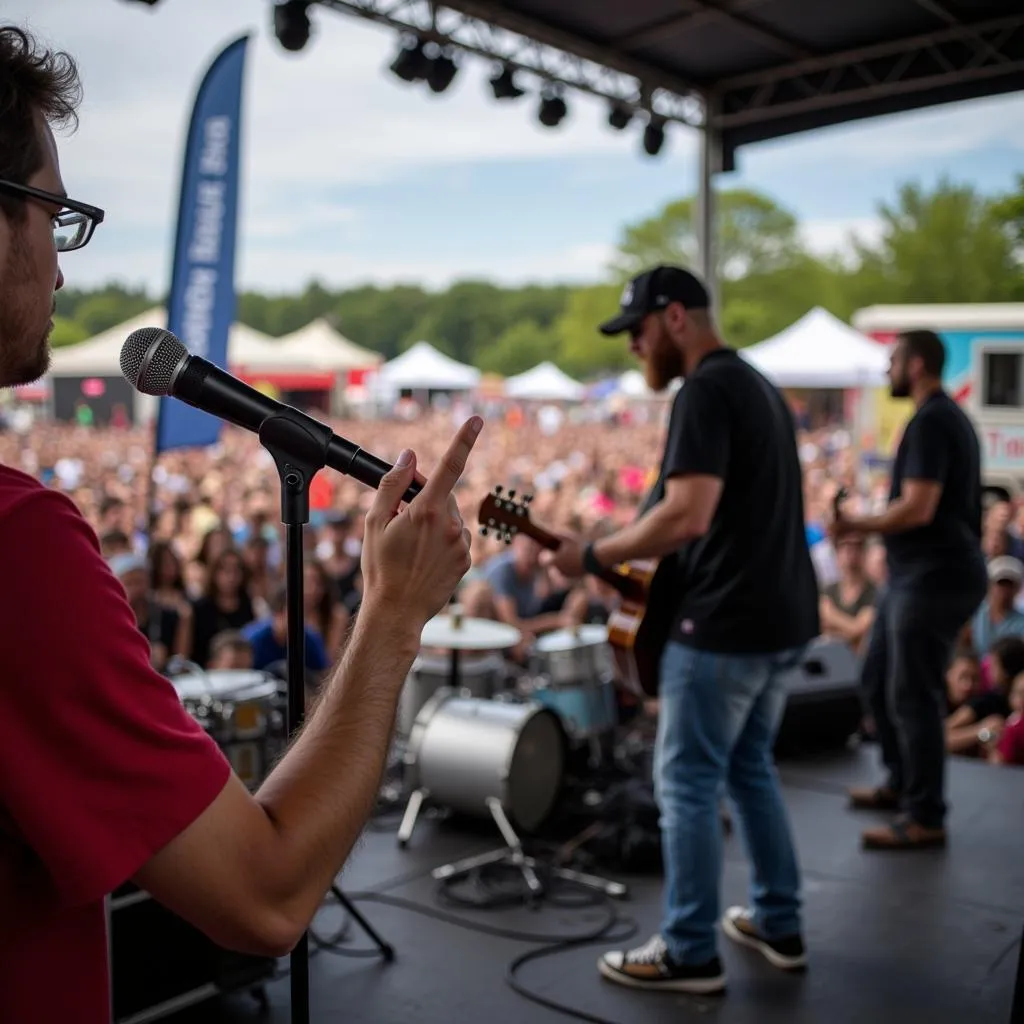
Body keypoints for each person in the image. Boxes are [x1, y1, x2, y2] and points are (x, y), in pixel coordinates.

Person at [0, 25, 481, 1024]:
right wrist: (394, 614)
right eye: (58, 215)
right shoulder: (19, 548)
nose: (60, 268)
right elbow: (260, 895)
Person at [543, 265, 819, 994]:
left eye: (636, 331)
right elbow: (712, 523)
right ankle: (779, 920)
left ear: (673, 318)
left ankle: (691, 948)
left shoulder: (705, 389)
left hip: (724, 629)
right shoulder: (755, 384)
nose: (634, 348)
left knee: (687, 782)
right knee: (749, 767)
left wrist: (595, 554)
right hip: (783, 619)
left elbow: (689, 514)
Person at [833, 329, 987, 849]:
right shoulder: (938, 419)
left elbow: (919, 507)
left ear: (916, 364)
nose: (886, 370)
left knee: (912, 693)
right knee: (877, 680)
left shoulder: (932, 421)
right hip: (917, 577)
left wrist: (858, 523)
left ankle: (926, 815)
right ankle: (902, 783)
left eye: (893, 360)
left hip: (935, 578)